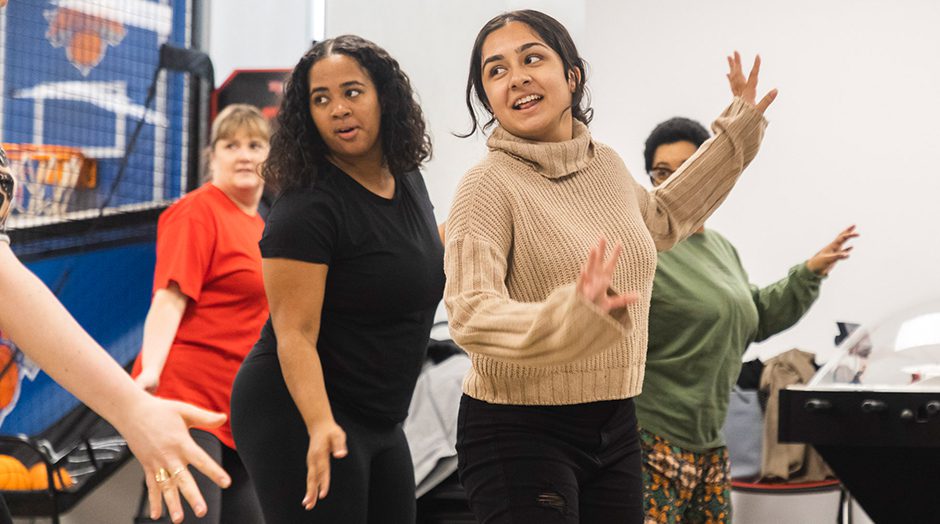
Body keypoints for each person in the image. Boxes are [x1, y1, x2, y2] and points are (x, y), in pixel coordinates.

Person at [444, 10, 776, 524]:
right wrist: (565, 317)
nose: (517, 77)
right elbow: (469, 311)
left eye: (532, 58)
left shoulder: (608, 166)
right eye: (496, 70)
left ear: (572, 76)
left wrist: (736, 135)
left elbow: (663, 218)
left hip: (617, 420)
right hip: (518, 429)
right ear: (487, 97)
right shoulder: (486, 186)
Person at [230, 35, 445, 524]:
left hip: (379, 416)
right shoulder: (307, 207)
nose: (338, 110)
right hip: (298, 409)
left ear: (383, 97)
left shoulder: (405, 175)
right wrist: (320, 423)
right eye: (320, 99)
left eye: (352, 92)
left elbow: (415, 255)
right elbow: (294, 335)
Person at [637, 116, 856, 524]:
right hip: (651, 442)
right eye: (662, 173)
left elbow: (754, 315)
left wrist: (808, 272)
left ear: (712, 176)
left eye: (687, 170)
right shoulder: (641, 244)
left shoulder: (720, 248)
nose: (674, 184)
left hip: (710, 448)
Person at [0, 144, 230, 524]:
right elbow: (168, 301)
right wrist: (145, 385)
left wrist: (134, 409)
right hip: (193, 386)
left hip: (223, 404)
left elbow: (9, 285)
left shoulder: (255, 224)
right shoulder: (196, 213)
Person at [130, 104, 270, 523]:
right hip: (185, 400)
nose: (244, 155)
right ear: (212, 157)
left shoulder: (265, 224)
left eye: (255, 144)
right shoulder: (198, 211)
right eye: (230, 145)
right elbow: (169, 299)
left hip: (236, 409)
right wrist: (150, 373)